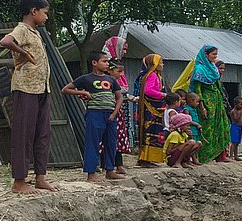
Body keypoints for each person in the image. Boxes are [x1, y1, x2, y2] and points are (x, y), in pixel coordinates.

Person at [0, 0, 58, 194]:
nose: (46, 17)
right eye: (45, 13)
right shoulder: (22, 29)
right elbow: (6, 41)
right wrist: (22, 53)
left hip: (41, 88)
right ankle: (19, 181)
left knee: (42, 133)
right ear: (34, 11)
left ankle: (41, 176)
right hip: (25, 88)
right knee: (23, 134)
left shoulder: (35, 32)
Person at [62, 51, 124, 184]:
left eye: (107, 61)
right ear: (94, 63)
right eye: (104, 61)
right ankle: (91, 173)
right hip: (94, 113)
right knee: (93, 143)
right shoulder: (86, 79)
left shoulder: (111, 80)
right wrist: (82, 92)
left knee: (111, 143)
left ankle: (110, 170)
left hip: (110, 115)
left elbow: (119, 97)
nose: (107, 64)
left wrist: (114, 113)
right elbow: (65, 89)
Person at [185, 45, 231, 163]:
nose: (215, 57)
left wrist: (223, 101)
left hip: (217, 102)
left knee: (220, 127)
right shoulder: (199, 69)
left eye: (216, 54)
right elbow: (198, 89)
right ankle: (204, 156)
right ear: (206, 55)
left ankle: (221, 155)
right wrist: (202, 106)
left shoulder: (213, 68)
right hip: (206, 102)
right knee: (207, 128)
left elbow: (217, 86)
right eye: (213, 54)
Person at [101, 36, 130, 175]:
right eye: (123, 49)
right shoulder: (105, 67)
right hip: (108, 108)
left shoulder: (118, 66)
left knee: (117, 136)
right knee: (106, 136)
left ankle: (118, 164)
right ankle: (107, 165)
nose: (124, 51)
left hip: (118, 109)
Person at [135, 54, 168, 166]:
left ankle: (149, 158)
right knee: (150, 132)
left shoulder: (158, 76)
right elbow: (148, 91)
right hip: (151, 109)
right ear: (154, 64)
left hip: (156, 108)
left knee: (154, 132)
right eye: (161, 62)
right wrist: (163, 95)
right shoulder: (152, 75)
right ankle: (145, 158)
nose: (163, 65)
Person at [229, 96, 242, 161]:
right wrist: (241, 113)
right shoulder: (233, 111)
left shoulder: (239, 110)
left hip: (239, 127)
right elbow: (236, 119)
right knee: (234, 142)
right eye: (241, 104)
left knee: (237, 142)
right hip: (235, 127)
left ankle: (236, 156)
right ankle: (231, 156)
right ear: (236, 104)